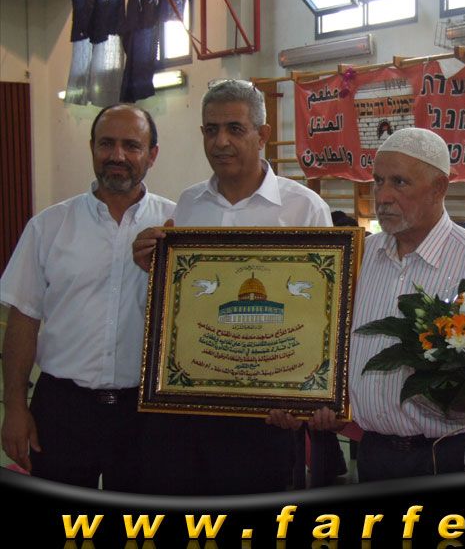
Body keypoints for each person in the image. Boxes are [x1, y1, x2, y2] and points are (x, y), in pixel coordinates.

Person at [271, 127, 465, 481]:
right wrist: (313, 402)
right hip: (373, 456)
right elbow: (328, 346)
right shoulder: (358, 257)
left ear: (439, 188)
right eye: (378, 181)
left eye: (399, 182)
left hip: (446, 459)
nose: (382, 196)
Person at [132, 79, 332, 495]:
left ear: (263, 135)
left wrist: (302, 396)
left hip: (269, 413)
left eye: (235, 129)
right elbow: (181, 302)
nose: (220, 141)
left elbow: (324, 313)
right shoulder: (188, 204)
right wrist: (155, 266)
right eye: (211, 129)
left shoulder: (304, 208)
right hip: (193, 408)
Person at [0, 104, 174, 490]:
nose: (117, 155)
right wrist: (14, 406)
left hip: (145, 411)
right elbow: (23, 322)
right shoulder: (48, 226)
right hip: (62, 409)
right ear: (91, 148)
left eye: (132, 145)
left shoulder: (175, 227)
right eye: (106, 144)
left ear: (152, 154)